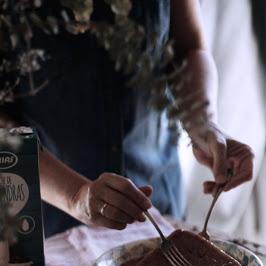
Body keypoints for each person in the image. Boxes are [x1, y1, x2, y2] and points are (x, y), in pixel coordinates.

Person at [0, 0, 254, 237]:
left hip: (158, 201)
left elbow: (189, 48)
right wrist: (76, 195)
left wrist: (202, 122)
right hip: (49, 220)